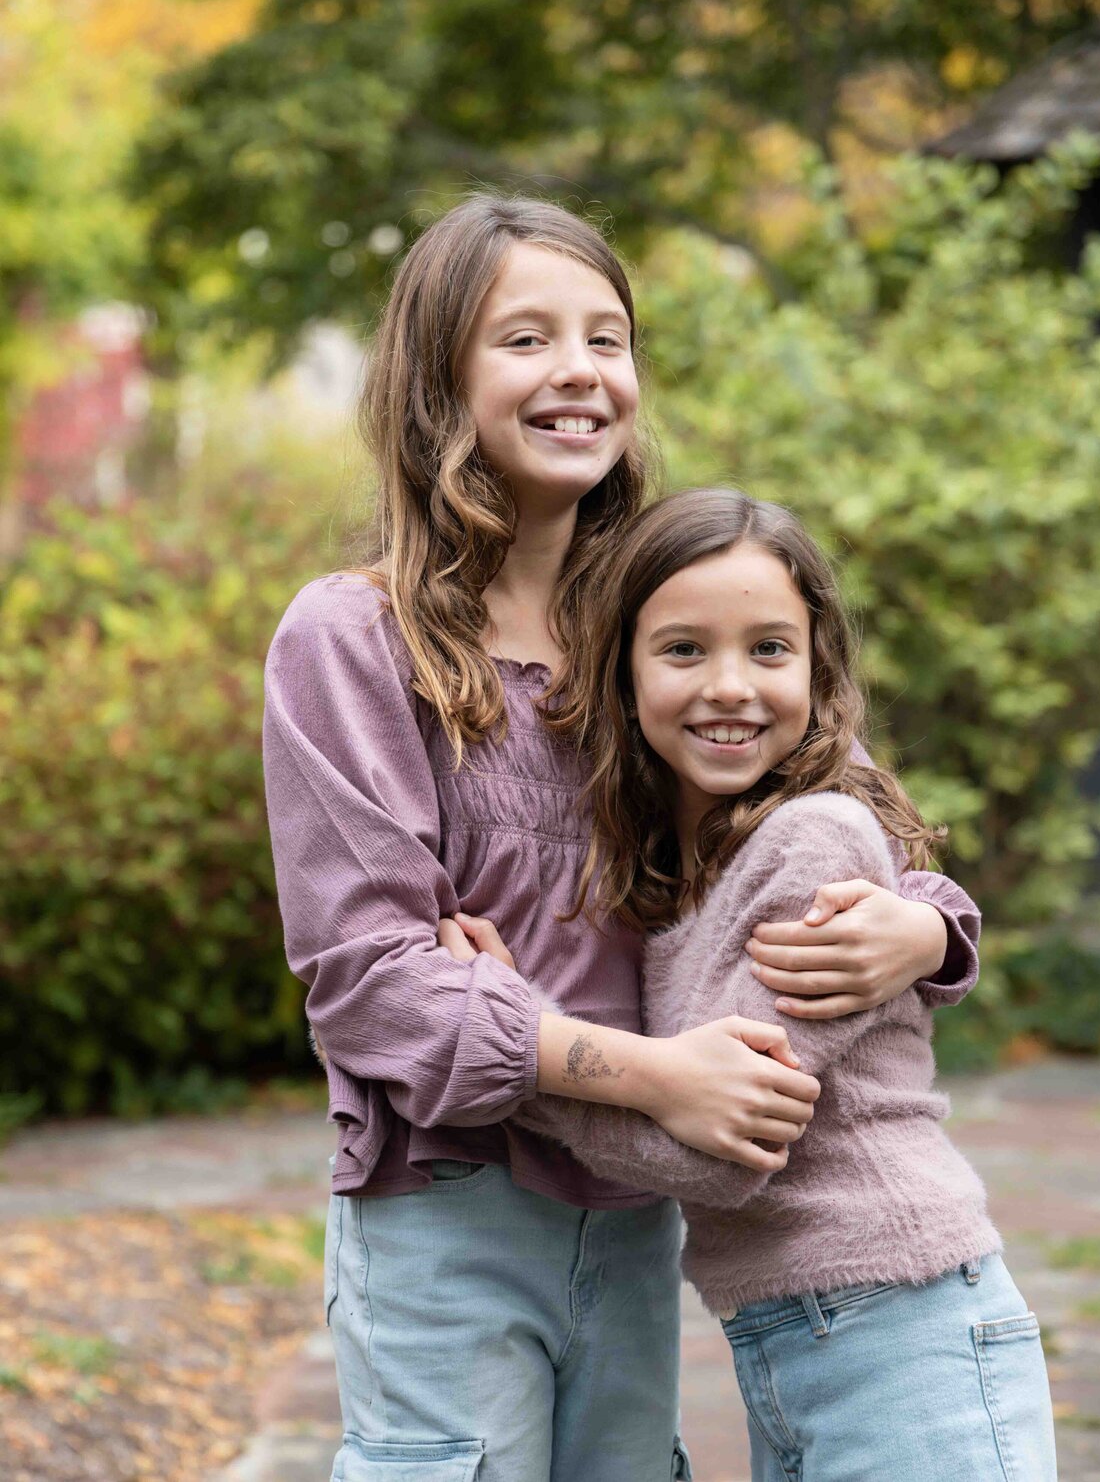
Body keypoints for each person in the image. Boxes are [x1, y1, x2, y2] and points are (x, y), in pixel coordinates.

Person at [262, 195, 984, 1482]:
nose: (581, 371)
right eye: (527, 339)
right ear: (439, 379)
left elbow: (864, 814)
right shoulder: (355, 640)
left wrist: (922, 928)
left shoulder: (661, 612)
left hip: (639, 1213)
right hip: (450, 1201)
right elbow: (368, 983)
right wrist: (656, 1076)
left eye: (609, 337)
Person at [445, 487, 1057, 1482]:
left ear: (817, 669)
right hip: (798, 1339)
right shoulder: (684, 872)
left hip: (901, 1332)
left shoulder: (815, 838)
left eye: (769, 650)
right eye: (684, 650)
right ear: (623, 673)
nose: (730, 687)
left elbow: (728, 1151)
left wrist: (520, 1050)